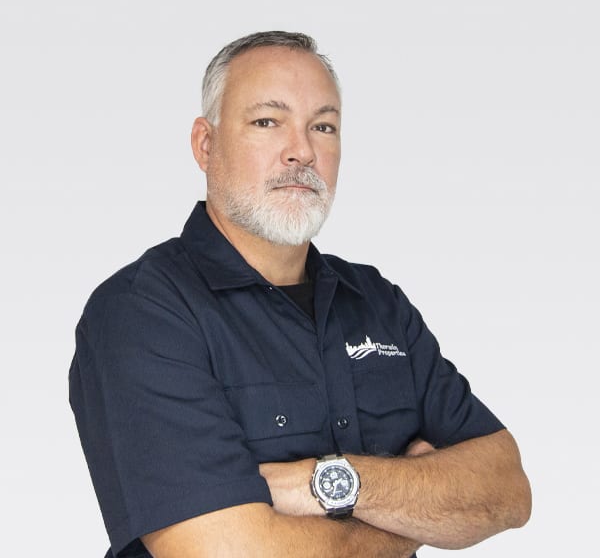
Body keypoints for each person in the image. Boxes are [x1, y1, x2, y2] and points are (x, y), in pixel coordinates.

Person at [69, 31, 531, 558]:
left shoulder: (378, 303)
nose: (303, 151)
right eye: (268, 122)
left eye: (323, 126)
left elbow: (507, 490)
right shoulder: (142, 312)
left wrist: (326, 481)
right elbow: (226, 553)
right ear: (205, 145)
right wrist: (417, 515)